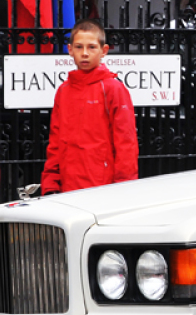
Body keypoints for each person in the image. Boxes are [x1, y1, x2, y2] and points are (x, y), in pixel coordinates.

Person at [41, 20, 139, 195]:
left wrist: (125, 189)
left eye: (92, 47)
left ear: (104, 51)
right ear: (70, 50)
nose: (85, 53)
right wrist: (50, 184)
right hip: (67, 187)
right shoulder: (63, 91)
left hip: (102, 189)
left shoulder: (113, 88)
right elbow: (55, 142)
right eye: (79, 47)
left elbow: (126, 143)